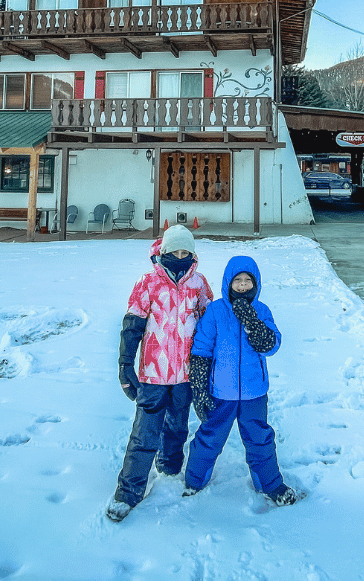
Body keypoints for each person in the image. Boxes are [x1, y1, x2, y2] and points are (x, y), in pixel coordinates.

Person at [107, 224, 213, 522]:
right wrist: (125, 365)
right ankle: (128, 492)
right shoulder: (148, 283)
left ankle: (169, 466)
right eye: (175, 251)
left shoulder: (200, 284)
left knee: (178, 425)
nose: (180, 256)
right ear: (164, 251)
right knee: (144, 433)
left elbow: (209, 325)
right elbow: (132, 326)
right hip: (153, 375)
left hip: (185, 374)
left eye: (186, 252)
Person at [182, 254, 299, 506]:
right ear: (228, 282)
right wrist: (200, 388)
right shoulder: (215, 311)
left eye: (248, 280)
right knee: (209, 437)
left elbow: (270, 345)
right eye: (238, 280)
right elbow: (201, 349)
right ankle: (194, 480)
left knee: (260, 439)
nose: (243, 285)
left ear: (255, 284)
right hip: (220, 392)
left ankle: (270, 484)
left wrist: (250, 318)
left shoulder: (261, 310)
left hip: (253, 393)